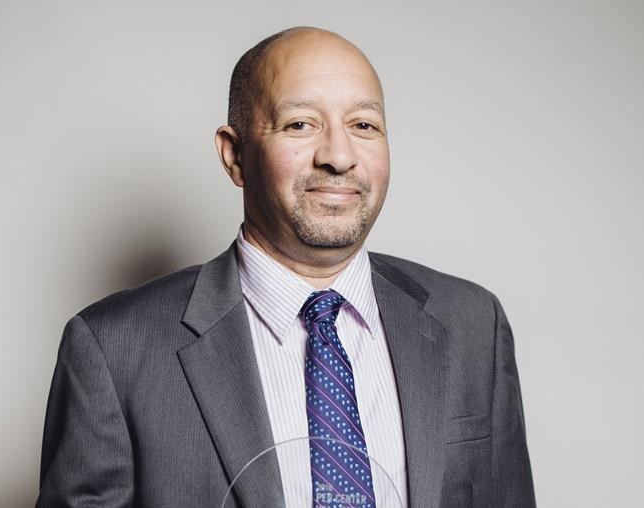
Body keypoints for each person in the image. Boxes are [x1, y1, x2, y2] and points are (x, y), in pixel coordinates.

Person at [37, 27, 536, 507]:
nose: (339, 157)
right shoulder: (112, 349)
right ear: (235, 155)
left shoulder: (473, 323)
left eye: (363, 125)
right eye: (300, 124)